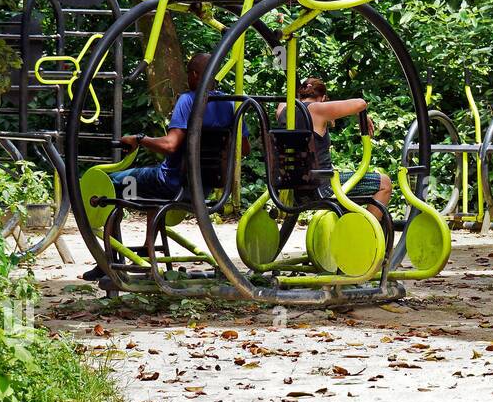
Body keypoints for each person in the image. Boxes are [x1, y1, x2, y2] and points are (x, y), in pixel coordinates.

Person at [82, 53, 247, 280]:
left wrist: (139, 139)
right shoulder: (229, 103)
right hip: (204, 187)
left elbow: (170, 145)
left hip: (171, 183)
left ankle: (108, 260)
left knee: (106, 183)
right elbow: (244, 148)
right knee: (151, 192)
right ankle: (149, 252)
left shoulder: (189, 100)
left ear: (195, 75)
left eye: (189, 72)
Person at [276, 77, 392, 221]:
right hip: (322, 188)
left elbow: (290, 100)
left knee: (345, 185)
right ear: (323, 98)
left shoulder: (282, 111)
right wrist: (359, 113)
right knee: (385, 183)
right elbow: (360, 103)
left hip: (295, 189)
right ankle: (367, 234)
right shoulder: (316, 109)